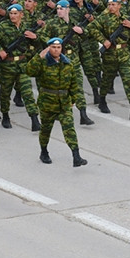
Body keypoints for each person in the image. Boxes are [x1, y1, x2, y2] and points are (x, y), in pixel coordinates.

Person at [26, 38, 88, 167]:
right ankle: (44, 152)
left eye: (58, 47)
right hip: (47, 103)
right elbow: (29, 71)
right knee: (46, 129)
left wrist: (73, 99)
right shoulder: (43, 63)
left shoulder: (67, 64)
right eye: (53, 47)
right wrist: (39, 57)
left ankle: (76, 156)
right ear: (48, 48)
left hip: (64, 103)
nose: (56, 50)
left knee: (69, 128)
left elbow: (74, 83)